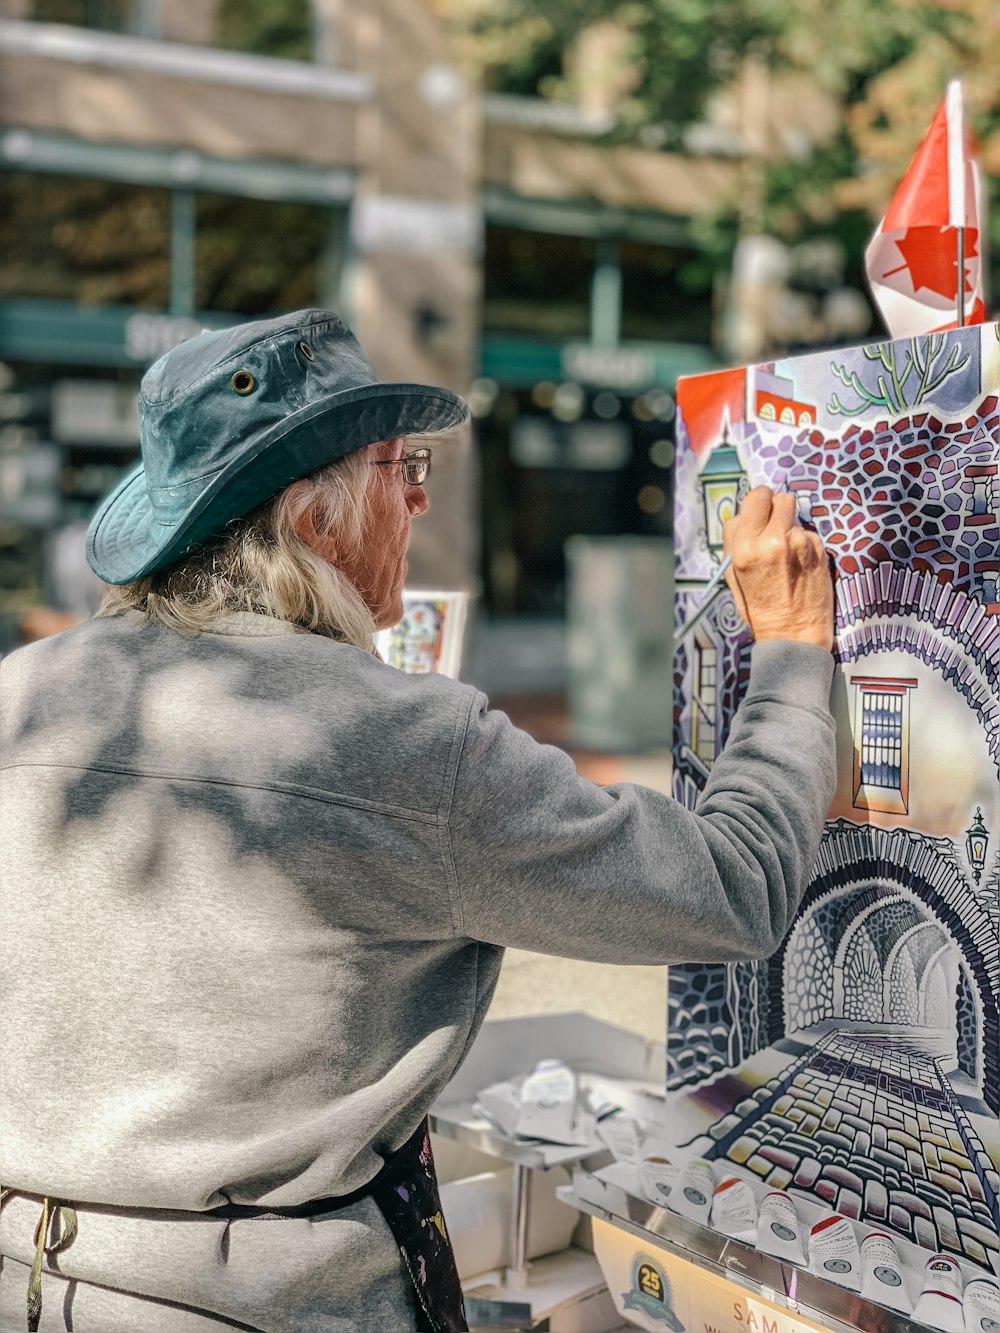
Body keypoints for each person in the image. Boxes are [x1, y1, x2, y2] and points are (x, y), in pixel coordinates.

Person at [0, 309, 836, 1333]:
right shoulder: (401, 740)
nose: (419, 498)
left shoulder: (25, 692)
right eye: (401, 469)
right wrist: (794, 649)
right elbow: (731, 888)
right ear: (315, 523)